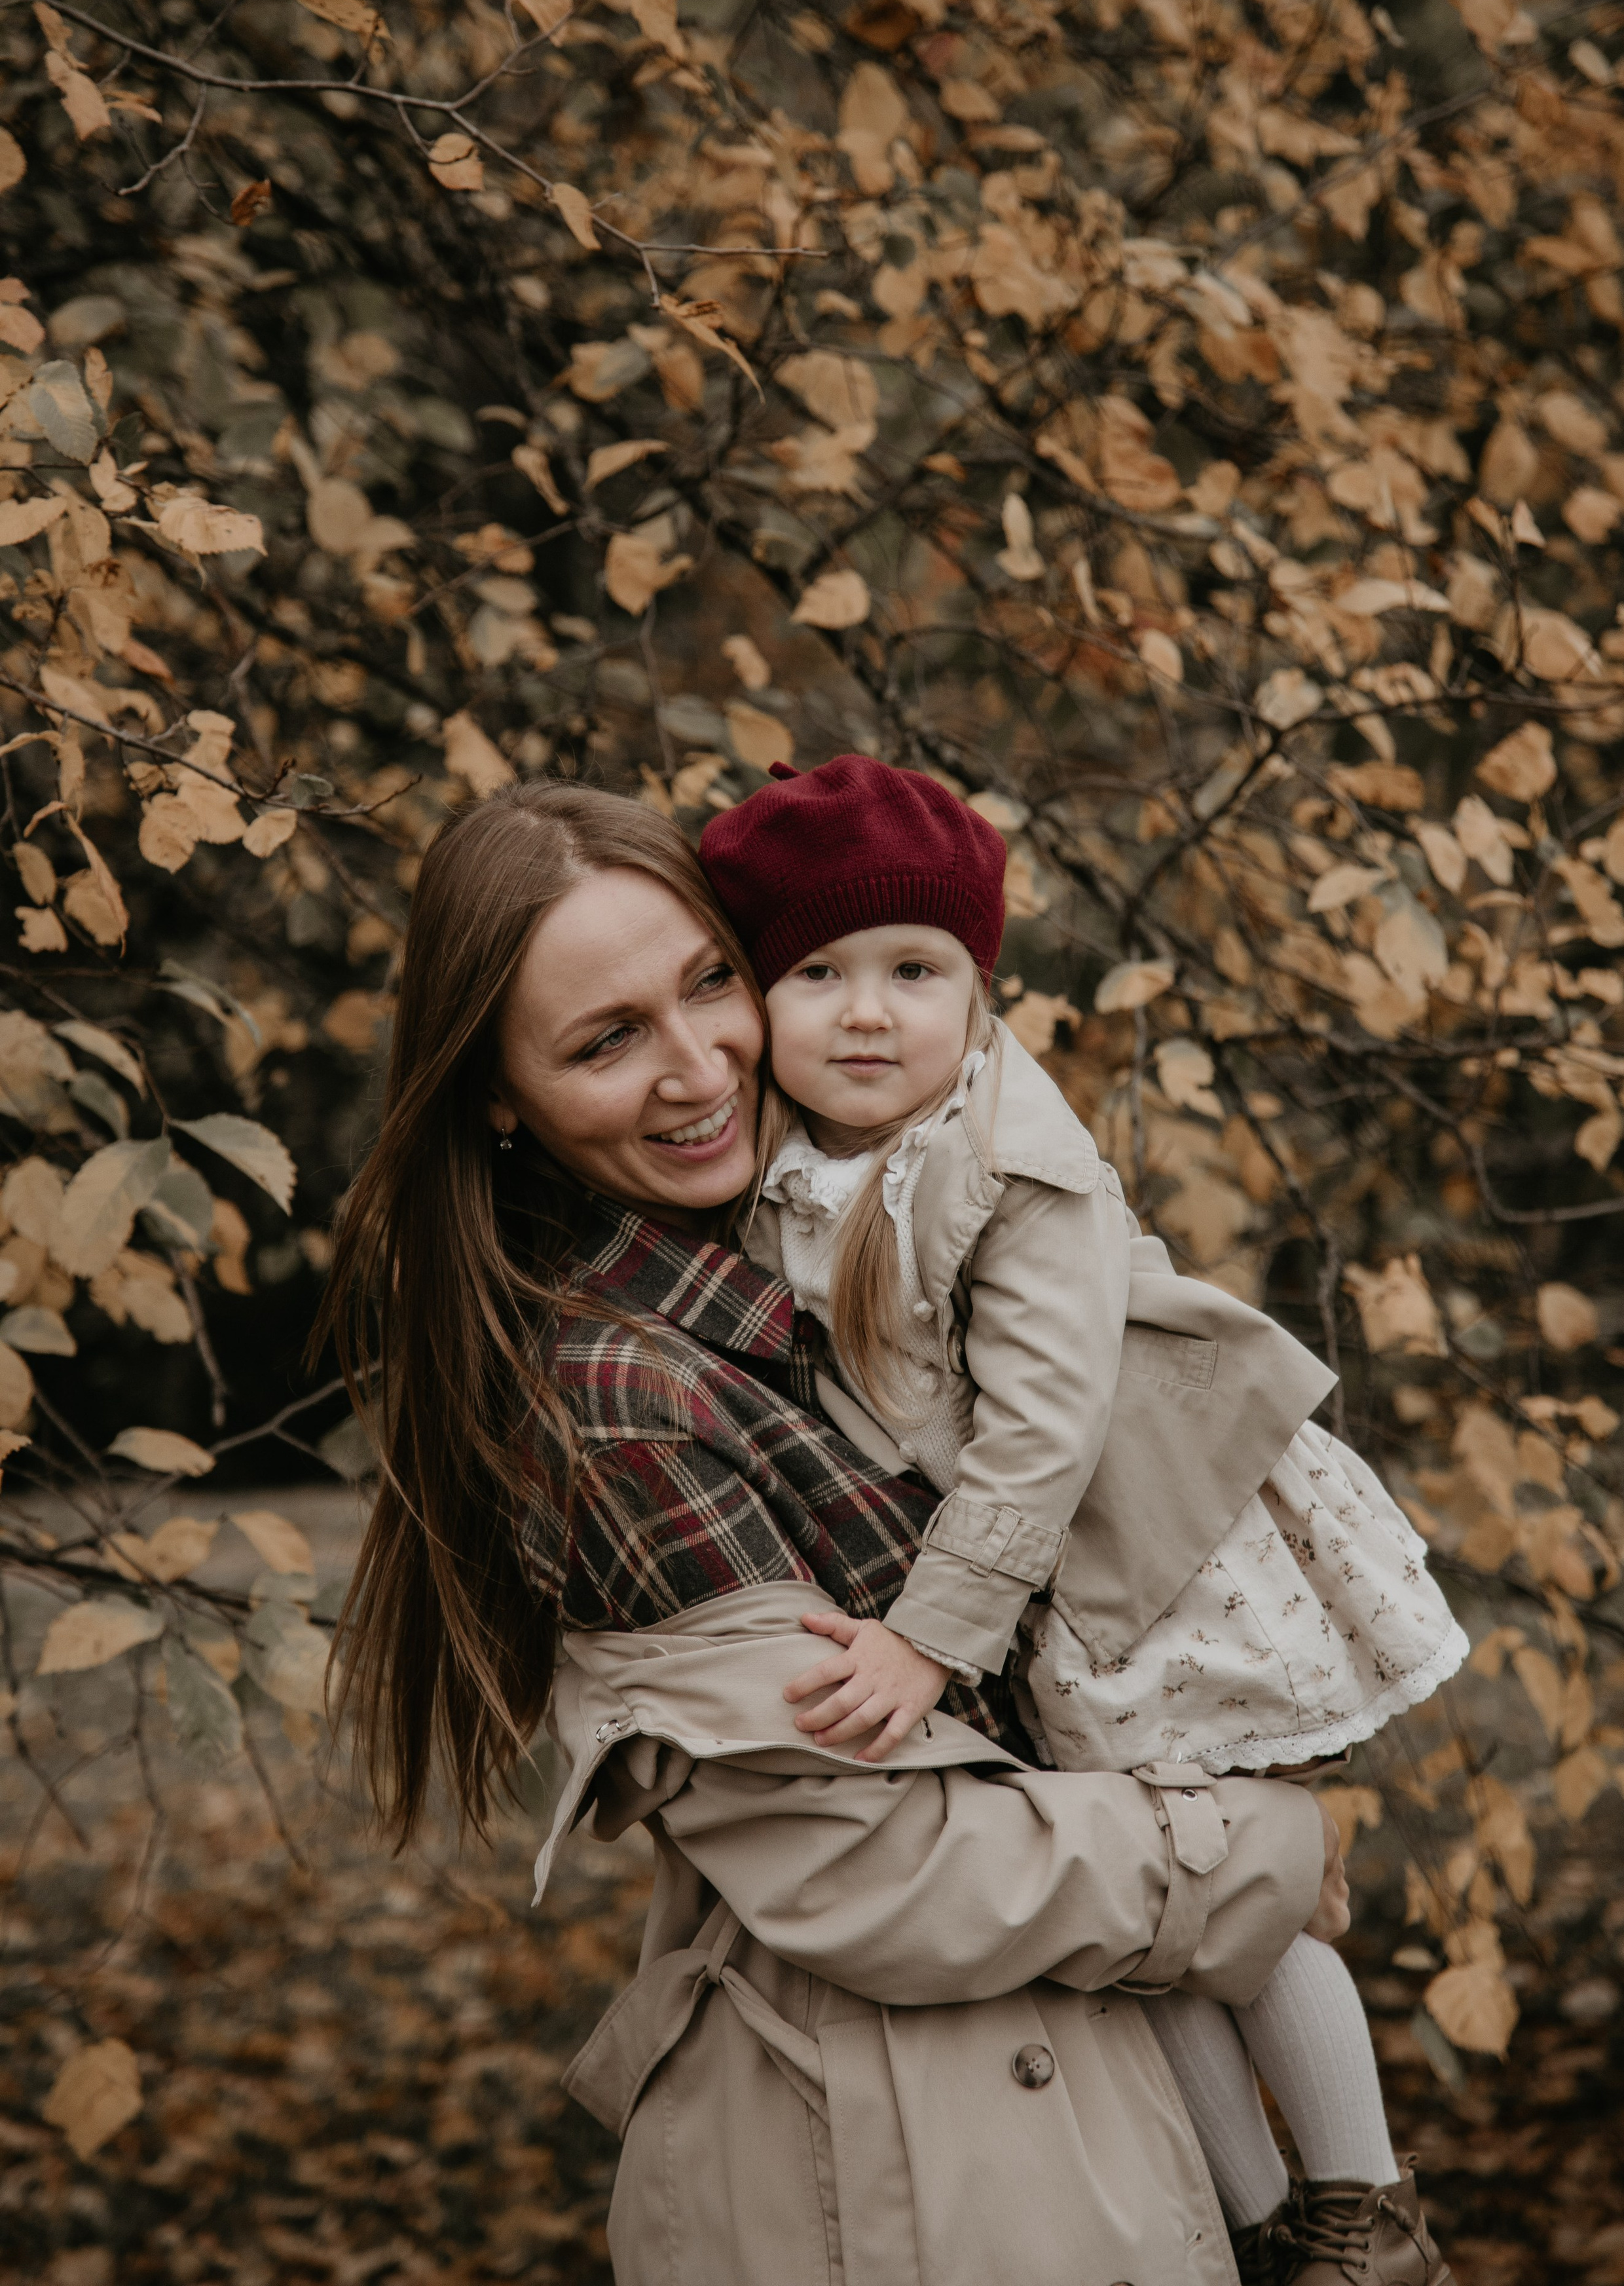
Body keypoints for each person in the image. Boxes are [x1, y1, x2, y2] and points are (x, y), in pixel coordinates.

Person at [323, 778, 1348, 2286]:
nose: (697, 1070)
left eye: (709, 985)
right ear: (497, 1094)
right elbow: (874, 1868)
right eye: (605, 1042)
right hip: (900, 2186)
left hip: (1025, 2108)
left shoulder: (805, 1250)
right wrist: (1266, 1846)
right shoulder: (621, 1404)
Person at [700, 753, 1466, 2286]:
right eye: (817, 974)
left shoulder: (1009, 1160)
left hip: (1157, 1555)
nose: (866, 1013)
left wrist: (928, 1641)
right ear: (757, 1002)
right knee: (1146, 1923)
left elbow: (1043, 1434)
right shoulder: (797, 1168)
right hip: (1051, 1585)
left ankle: (1366, 2210)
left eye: (913, 971)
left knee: (1235, 1895)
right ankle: (1266, 2230)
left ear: (978, 987)